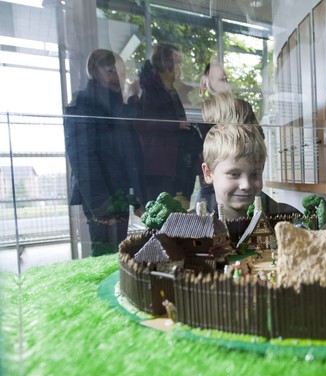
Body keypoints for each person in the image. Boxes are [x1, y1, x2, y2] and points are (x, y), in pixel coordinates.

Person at [64, 49, 145, 256]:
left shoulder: (114, 105)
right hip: (100, 195)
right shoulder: (84, 103)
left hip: (118, 193)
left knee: (123, 250)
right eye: (110, 71)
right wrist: (100, 203)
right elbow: (81, 156)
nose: (117, 77)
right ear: (94, 71)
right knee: (105, 253)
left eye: (120, 72)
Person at [134, 42, 201, 204]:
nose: (179, 67)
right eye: (175, 61)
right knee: (161, 213)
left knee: (179, 211)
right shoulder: (149, 88)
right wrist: (174, 124)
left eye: (179, 62)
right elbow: (141, 124)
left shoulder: (173, 89)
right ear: (163, 62)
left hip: (180, 164)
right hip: (159, 165)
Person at [197, 60, 263, 212]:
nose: (226, 83)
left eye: (226, 78)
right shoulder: (205, 108)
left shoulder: (241, 106)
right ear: (206, 80)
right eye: (221, 79)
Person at [201, 123, 299, 221]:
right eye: (234, 174)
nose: (246, 185)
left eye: (255, 174)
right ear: (208, 173)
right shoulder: (191, 224)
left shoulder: (290, 218)